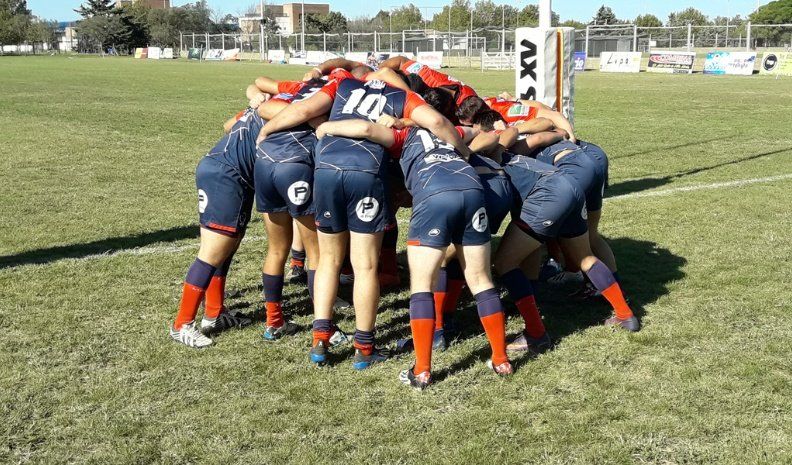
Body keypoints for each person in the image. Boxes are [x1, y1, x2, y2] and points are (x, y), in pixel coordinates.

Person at [257, 69, 470, 370]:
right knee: (365, 266)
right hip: (366, 172)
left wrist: (266, 131)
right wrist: (463, 151)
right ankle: (364, 347)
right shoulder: (402, 96)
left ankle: (320, 339)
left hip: (326, 171)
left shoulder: (342, 84)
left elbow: (302, 110)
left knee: (328, 259)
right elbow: (436, 122)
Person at [315, 118, 513, 389]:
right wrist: (466, 151)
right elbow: (484, 133)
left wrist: (327, 127)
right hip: (472, 189)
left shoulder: (404, 136)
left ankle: (421, 371)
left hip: (434, 192)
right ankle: (501, 359)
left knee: (422, 285)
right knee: (480, 279)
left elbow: (366, 129)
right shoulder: (450, 130)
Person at [168, 102, 268, 348]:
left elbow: (228, 125)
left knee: (226, 247)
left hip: (225, 169)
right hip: (227, 174)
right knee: (211, 253)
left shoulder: (269, 100)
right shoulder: (289, 106)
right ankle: (182, 324)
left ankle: (214, 313)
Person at [253, 80, 326, 341]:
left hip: (264, 162)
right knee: (316, 252)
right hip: (295, 165)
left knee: (276, 249)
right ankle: (323, 326)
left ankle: (273, 322)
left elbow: (262, 102)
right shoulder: (329, 98)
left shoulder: (292, 95)